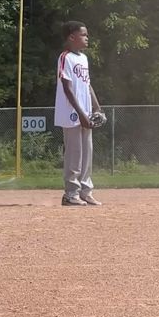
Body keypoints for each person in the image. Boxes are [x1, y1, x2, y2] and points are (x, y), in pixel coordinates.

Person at [54, 21, 103, 206]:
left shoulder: (83, 58)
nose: (87, 38)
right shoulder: (65, 57)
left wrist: (97, 108)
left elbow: (87, 85)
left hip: (86, 111)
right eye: (83, 35)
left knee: (87, 153)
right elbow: (67, 87)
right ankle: (70, 194)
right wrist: (80, 113)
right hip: (71, 113)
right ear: (71, 37)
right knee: (74, 154)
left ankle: (85, 191)